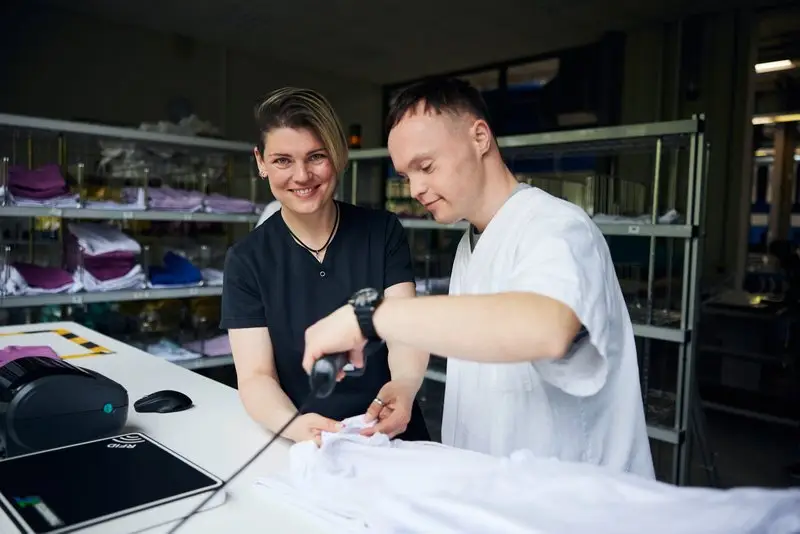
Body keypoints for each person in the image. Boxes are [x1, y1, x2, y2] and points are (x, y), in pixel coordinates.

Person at [301, 78, 655, 478]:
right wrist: (405, 386)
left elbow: (546, 327)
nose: (416, 188)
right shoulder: (471, 245)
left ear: (480, 137)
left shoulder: (555, 227)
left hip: (572, 501)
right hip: (496, 492)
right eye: (405, 175)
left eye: (426, 166)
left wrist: (369, 317)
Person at [220, 87, 430, 445]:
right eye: (283, 160)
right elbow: (256, 376)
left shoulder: (381, 232)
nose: (301, 176)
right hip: (304, 439)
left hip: (392, 427)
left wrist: (405, 386)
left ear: (339, 155)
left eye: (316, 157)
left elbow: (405, 330)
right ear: (260, 162)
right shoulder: (246, 260)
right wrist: (292, 426)